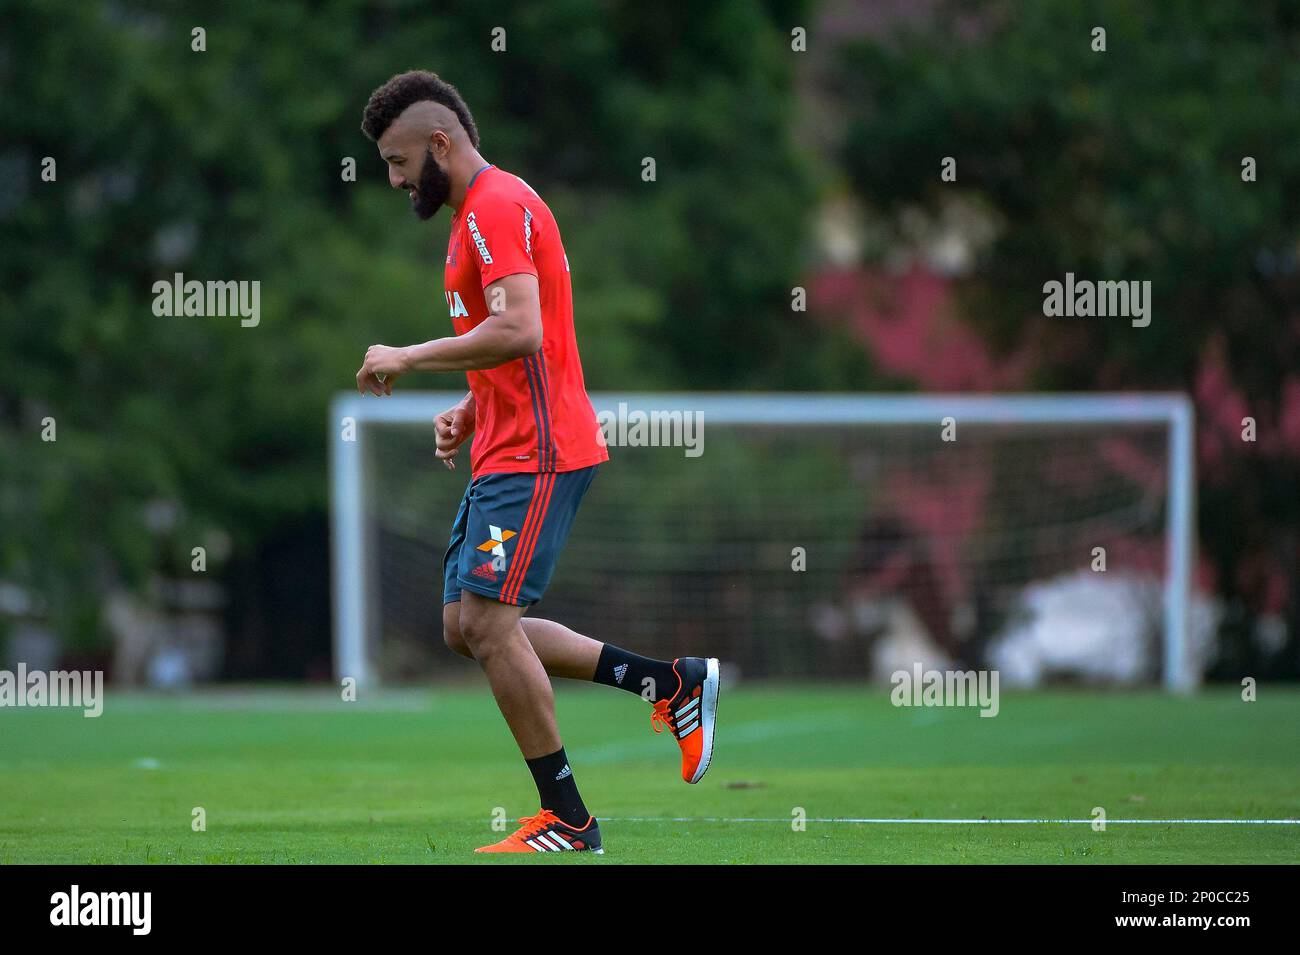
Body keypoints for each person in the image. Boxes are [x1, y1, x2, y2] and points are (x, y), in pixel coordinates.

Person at [355, 71, 719, 854]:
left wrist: (409, 356)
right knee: (466, 625)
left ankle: (569, 817)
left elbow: (521, 329)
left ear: (439, 145)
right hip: (507, 444)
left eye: (396, 160)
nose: (392, 179)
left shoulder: (493, 207)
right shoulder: (472, 219)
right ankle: (670, 682)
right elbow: (520, 348)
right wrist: (472, 405)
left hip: (537, 455)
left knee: (488, 622)